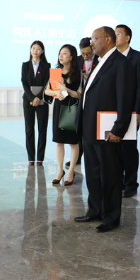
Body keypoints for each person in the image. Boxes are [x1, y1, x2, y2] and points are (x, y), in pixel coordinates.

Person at [73, 27, 135, 232]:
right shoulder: (98, 62)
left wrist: (118, 129)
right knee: (93, 173)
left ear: (108, 39)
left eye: (95, 39)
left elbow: (125, 99)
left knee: (110, 175)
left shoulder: (121, 63)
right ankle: (95, 210)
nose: (91, 43)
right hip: (91, 128)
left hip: (108, 130)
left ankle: (111, 217)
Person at [115, 24, 140, 198]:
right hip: (112, 111)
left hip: (130, 112)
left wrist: (138, 111)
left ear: (127, 37)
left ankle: (131, 184)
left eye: (118, 34)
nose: (115, 37)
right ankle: (118, 182)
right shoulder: (111, 57)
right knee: (114, 148)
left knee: (128, 148)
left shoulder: (138, 57)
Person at [45, 45, 82, 185]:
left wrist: (66, 89)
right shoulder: (56, 72)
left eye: (64, 53)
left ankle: (71, 171)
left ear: (71, 56)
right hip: (59, 108)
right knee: (59, 141)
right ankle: (60, 171)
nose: (61, 56)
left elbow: (79, 95)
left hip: (72, 109)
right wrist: (57, 92)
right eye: (60, 53)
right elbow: (47, 91)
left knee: (73, 142)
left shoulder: (78, 73)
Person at [66, 37, 99, 168]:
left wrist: (89, 77)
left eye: (88, 53)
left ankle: (94, 158)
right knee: (78, 128)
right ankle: (77, 158)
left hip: (95, 99)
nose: (86, 56)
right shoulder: (77, 60)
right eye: (83, 53)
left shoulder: (99, 59)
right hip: (79, 99)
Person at [21, 40, 50, 166]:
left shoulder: (46, 65)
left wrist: (38, 98)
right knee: (29, 129)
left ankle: (40, 158)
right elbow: (24, 83)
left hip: (42, 100)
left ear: (42, 51)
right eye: (33, 48)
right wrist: (32, 98)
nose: (35, 51)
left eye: (38, 49)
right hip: (28, 100)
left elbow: (46, 83)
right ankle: (31, 158)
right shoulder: (25, 65)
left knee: (42, 129)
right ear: (30, 50)